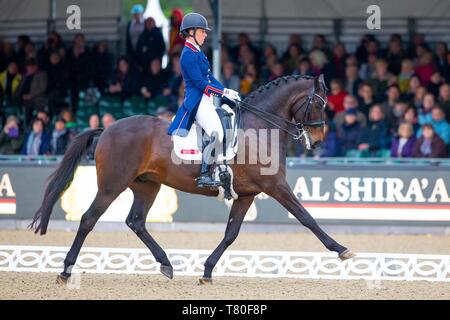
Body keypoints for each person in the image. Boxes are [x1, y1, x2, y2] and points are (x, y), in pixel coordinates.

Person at [167, 13, 241, 188]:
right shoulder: (187, 54)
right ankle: (205, 174)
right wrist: (223, 93)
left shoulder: (197, 52)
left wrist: (226, 91)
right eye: (202, 31)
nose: (205, 34)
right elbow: (200, 84)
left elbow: (209, 78)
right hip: (196, 100)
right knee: (217, 132)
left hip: (205, 99)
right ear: (191, 32)